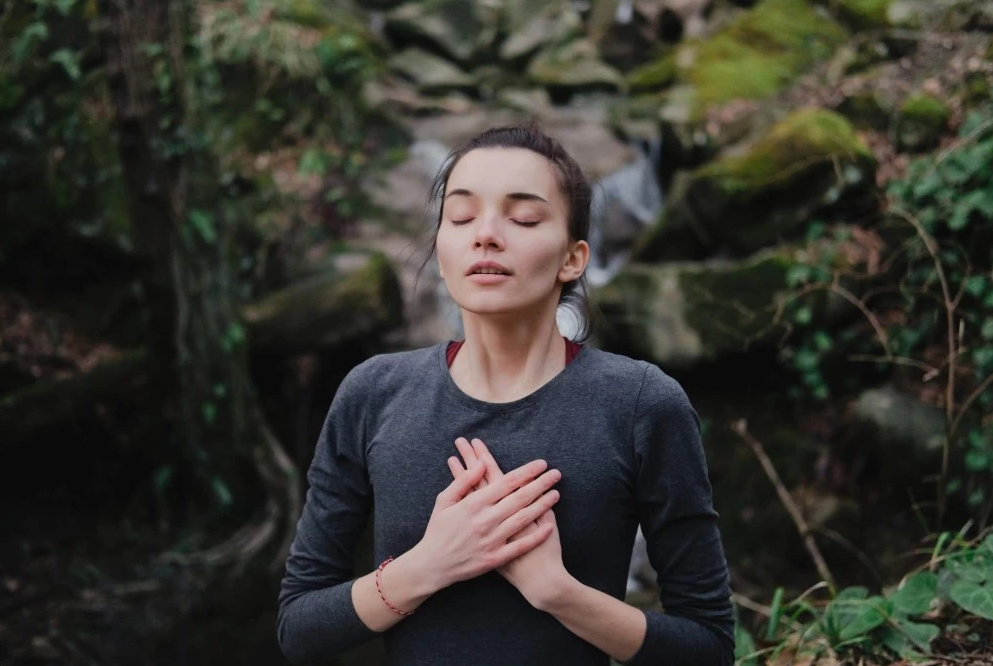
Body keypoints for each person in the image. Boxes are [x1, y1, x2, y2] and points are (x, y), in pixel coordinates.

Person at [276, 124, 735, 666]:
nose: (486, 235)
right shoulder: (373, 393)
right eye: (462, 216)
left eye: (523, 218)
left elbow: (709, 648)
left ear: (574, 258)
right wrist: (428, 566)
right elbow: (298, 628)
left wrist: (559, 595)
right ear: (442, 248)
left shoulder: (640, 405)